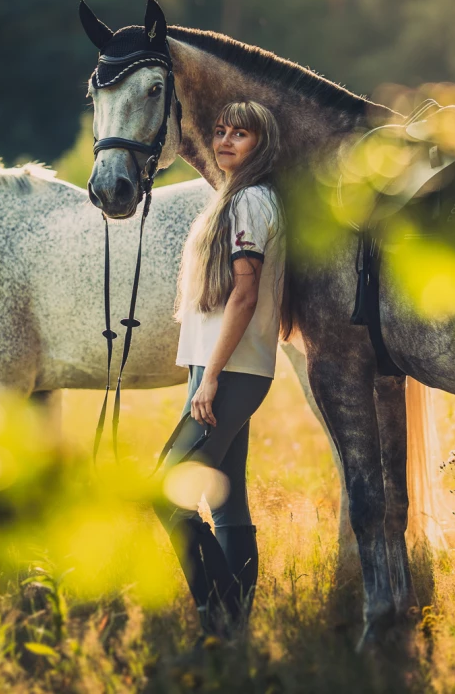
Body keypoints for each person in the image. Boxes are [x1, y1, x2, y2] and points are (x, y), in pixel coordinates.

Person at [155, 99, 286, 638]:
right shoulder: (231, 198)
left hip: (228, 372)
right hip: (217, 368)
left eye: (242, 134)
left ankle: (221, 607)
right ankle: (233, 630)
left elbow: (245, 292)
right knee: (226, 500)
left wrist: (209, 376)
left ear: (263, 144)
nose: (227, 140)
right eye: (221, 131)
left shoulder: (252, 202)